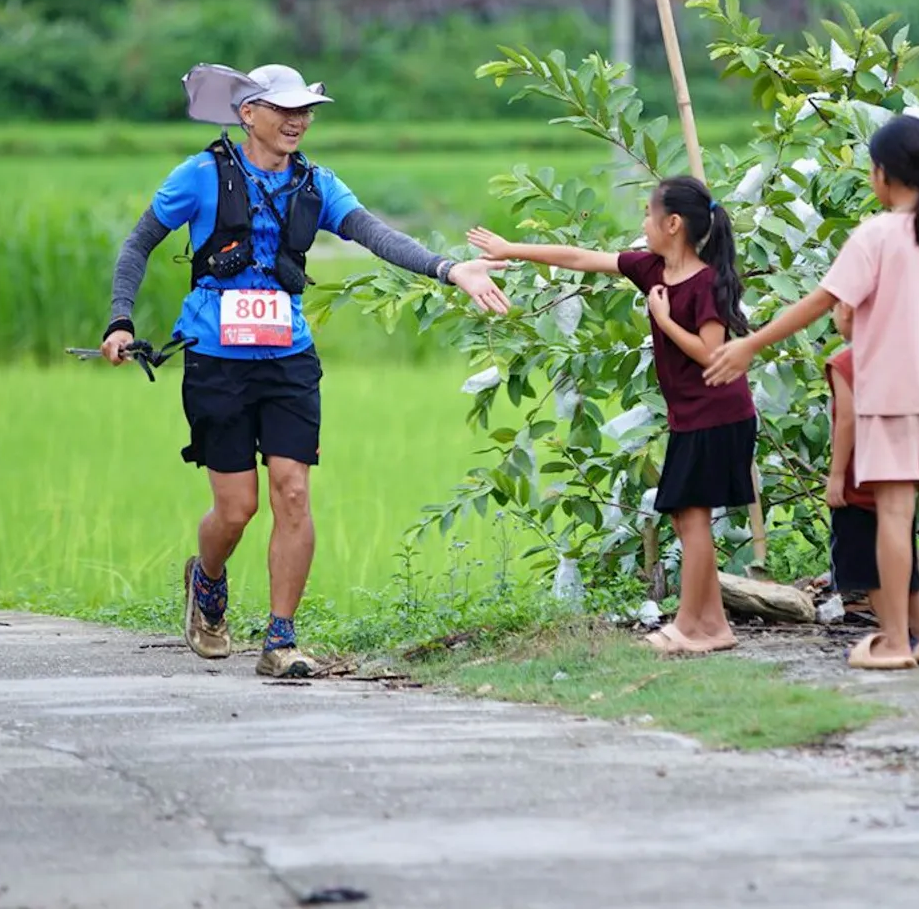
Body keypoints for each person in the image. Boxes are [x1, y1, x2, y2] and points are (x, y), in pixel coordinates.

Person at [101, 63, 510, 678]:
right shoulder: (200, 175)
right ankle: (206, 580)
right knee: (236, 509)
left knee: (293, 491)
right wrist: (120, 320)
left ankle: (280, 640)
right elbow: (138, 244)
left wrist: (449, 269)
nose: (298, 121)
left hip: (289, 359)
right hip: (216, 359)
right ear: (248, 114)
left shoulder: (318, 184)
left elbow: (375, 234)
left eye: (306, 111)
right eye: (284, 110)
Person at [705, 115, 919, 671]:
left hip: (891, 393)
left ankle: (896, 642)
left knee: (896, 512)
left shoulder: (876, 235)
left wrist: (750, 344)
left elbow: (819, 302)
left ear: (881, 174)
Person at [468, 175, 756, 656]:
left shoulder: (706, 283)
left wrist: (664, 321)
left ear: (673, 223)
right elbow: (580, 258)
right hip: (692, 417)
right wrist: (510, 249)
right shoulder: (652, 269)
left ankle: (688, 626)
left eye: (647, 214)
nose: (642, 223)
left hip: (718, 415)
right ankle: (714, 626)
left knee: (693, 520)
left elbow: (712, 354)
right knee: (685, 519)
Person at [826, 300, 919, 652]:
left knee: (869, 571)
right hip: (897, 476)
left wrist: (836, 475)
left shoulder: (845, 362)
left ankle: (892, 635)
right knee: (907, 568)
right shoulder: (898, 358)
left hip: (859, 481)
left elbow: (846, 420)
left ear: (848, 311)